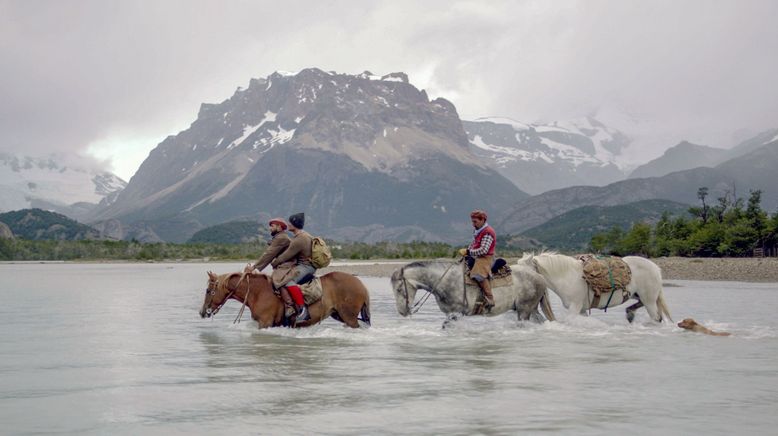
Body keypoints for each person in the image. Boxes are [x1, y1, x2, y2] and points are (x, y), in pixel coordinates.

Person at [243, 218, 297, 317]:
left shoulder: (282, 238)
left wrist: (254, 267)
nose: (270, 228)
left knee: (277, 280)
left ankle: (290, 306)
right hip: (283, 265)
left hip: (288, 265)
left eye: (272, 226)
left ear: (279, 227)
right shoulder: (279, 237)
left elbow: (269, 254)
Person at [271, 212, 315, 322]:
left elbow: (285, 256)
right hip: (304, 265)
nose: (288, 224)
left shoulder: (300, 239)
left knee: (286, 281)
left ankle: (302, 309)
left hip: (305, 267)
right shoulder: (305, 235)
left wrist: (274, 263)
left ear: (294, 224)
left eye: (290, 222)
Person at [458, 209, 496, 309]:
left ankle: (489, 298)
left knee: (478, 274)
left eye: (475, 221)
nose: (473, 224)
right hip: (477, 256)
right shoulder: (478, 230)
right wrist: (467, 250)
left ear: (483, 220)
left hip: (486, 257)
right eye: (472, 221)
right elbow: (474, 244)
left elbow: (484, 250)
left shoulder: (488, 232)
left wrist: (469, 252)